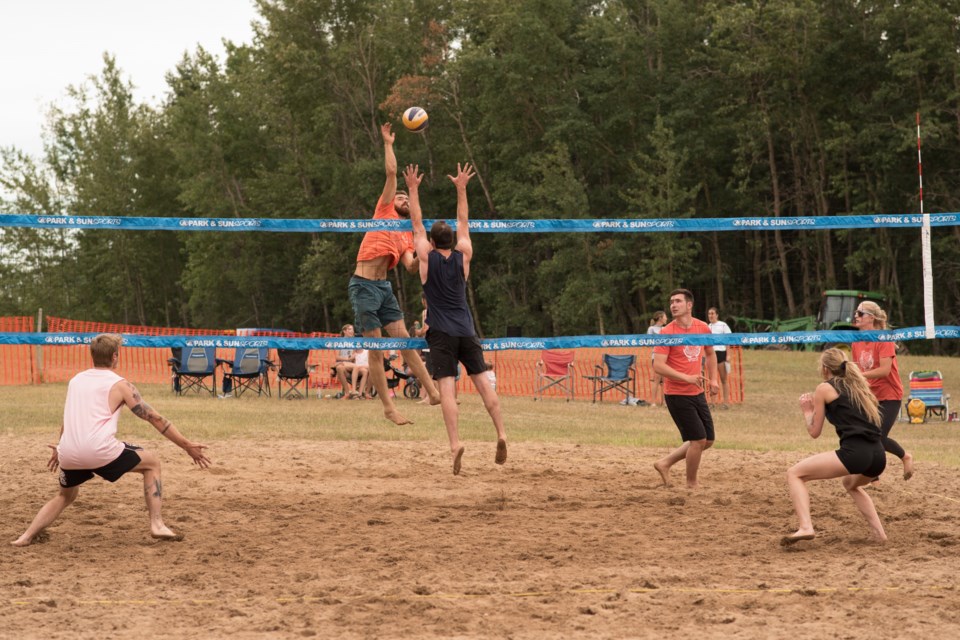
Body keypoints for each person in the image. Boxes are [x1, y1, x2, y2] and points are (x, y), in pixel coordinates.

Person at [11, 334, 211, 547]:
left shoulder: (76, 380)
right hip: (99, 451)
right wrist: (187, 446)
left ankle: (26, 536)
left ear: (92, 355)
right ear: (115, 356)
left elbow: (69, 418)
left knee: (64, 496)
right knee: (152, 463)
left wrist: (60, 448)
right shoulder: (120, 385)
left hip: (68, 452)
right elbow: (155, 418)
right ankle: (157, 524)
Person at [405, 162, 507, 475]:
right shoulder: (463, 255)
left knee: (447, 391)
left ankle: (454, 444)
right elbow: (463, 221)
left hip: (440, 332)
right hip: (465, 328)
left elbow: (417, 224)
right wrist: (461, 188)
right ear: (452, 240)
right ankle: (501, 433)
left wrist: (412, 189)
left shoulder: (425, 256)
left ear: (432, 243)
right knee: (483, 384)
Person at [348, 122, 440, 424]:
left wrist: (432, 251)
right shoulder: (383, 210)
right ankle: (389, 408)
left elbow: (412, 266)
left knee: (405, 343)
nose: (401, 200)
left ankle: (434, 393)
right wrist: (388, 143)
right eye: (400, 198)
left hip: (384, 290)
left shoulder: (405, 235)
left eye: (405, 199)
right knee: (376, 351)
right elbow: (390, 174)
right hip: (363, 285)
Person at [783, 348, 887, 545]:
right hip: (878, 455)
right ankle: (879, 534)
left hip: (856, 453)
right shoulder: (859, 386)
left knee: (794, 474)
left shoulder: (824, 388)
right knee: (850, 484)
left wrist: (807, 410)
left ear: (825, 369)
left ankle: (805, 526)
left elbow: (814, 432)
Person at [652, 289, 720, 489]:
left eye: (678, 301)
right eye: (671, 301)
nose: (673, 305)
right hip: (676, 393)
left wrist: (714, 380)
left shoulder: (702, 327)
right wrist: (687, 378)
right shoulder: (667, 332)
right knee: (698, 440)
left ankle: (664, 463)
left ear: (689, 305)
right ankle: (692, 484)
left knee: (708, 440)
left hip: (696, 391)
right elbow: (658, 366)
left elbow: (711, 354)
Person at [852, 301, 914, 480]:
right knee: (864, 435)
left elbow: (885, 370)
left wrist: (859, 376)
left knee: (877, 436)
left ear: (871, 317)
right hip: (870, 396)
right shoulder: (856, 342)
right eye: (856, 313)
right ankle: (873, 477)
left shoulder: (884, 338)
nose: (856, 316)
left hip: (890, 395)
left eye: (860, 313)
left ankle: (905, 456)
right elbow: (857, 369)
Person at [707, 307, 733, 409]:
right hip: (711, 354)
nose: (711, 315)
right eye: (709, 314)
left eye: (712, 313)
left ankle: (726, 402)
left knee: (723, 379)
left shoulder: (723, 325)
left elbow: (728, 340)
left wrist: (728, 354)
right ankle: (712, 403)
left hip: (721, 353)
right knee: (712, 379)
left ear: (717, 315)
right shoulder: (707, 326)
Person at [333, 323, 359, 399]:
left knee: (342, 366)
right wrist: (347, 359)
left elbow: (354, 355)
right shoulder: (339, 342)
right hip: (343, 364)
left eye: (353, 329)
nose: (352, 331)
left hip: (350, 365)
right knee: (339, 368)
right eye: (350, 329)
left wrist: (353, 357)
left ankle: (353, 391)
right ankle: (347, 393)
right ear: (344, 331)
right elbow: (337, 356)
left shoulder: (355, 342)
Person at [647, 311, 667, 406]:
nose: (666, 318)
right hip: (656, 356)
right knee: (657, 379)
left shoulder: (666, 328)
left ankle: (665, 402)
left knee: (665, 380)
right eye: (665, 317)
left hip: (666, 356)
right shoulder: (651, 329)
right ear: (660, 318)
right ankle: (653, 402)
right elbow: (648, 342)